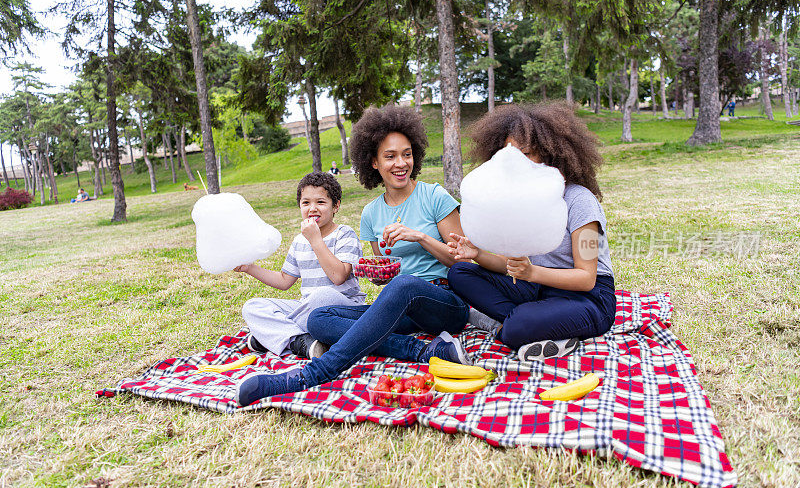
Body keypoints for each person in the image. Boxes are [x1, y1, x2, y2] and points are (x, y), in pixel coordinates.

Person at [236, 105, 470, 406]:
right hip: (403, 308)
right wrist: (373, 273)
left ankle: (309, 376)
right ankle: (426, 351)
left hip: (444, 301)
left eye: (407, 154)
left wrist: (421, 237)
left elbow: (464, 263)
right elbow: (387, 277)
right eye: (390, 156)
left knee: (405, 285)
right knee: (320, 318)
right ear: (373, 162)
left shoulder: (435, 195)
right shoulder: (372, 213)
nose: (401, 163)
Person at [446, 103, 616, 362]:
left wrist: (532, 273)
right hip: (537, 290)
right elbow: (511, 266)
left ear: (549, 154)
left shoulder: (581, 201)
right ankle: (538, 323)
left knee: (516, 328)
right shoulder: (518, 203)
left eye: (526, 154)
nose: (515, 163)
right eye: (509, 155)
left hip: (589, 299)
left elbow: (587, 278)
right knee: (459, 273)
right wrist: (477, 253)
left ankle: (514, 325)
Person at [234, 171, 365, 359]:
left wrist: (316, 240)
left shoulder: (345, 234)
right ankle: (299, 340)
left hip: (343, 308)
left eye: (320, 202)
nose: (312, 208)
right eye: (306, 203)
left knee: (322, 296)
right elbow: (284, 281)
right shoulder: (299, 241)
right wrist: (249, 268)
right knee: (252, 306)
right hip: (307, 308)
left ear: (336, 206)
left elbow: (338, 277)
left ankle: (269, 336)